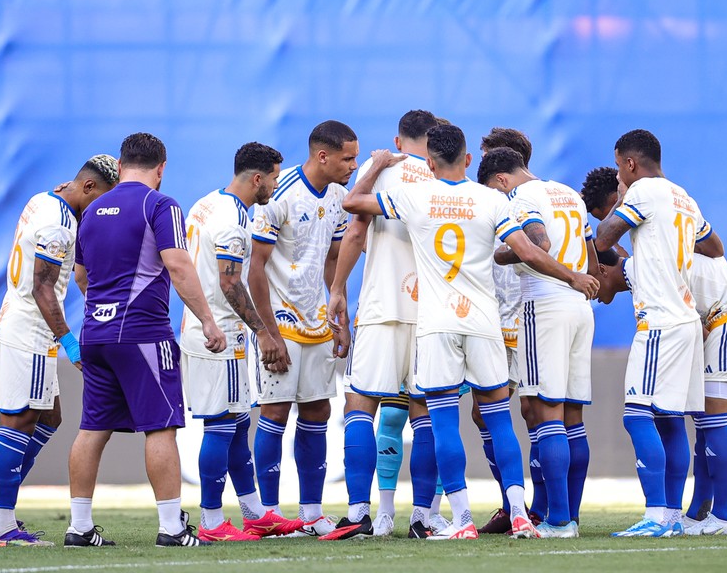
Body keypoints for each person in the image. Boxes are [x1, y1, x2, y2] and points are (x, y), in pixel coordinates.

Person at [342, 125, 599, 540]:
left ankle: (462, 520)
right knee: (499, 418)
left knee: (444, 421)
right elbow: (532, 251)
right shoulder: (492, 198)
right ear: (467, 160)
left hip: (438, 323)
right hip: (483, 322)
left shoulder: (415, 196)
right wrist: (572, 276)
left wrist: (377, 165)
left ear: (429, 162)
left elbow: (352, 202)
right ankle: (519, 514)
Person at [66, 133, 227, 548]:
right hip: (142, 333)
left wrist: (105, 309)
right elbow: (177, 263)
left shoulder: (93, 208)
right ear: (161, 167)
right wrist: (207, 320)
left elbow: (81, 277)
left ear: (119, 168)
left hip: (94, 334)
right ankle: (172, 528)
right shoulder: (160, 205)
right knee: (161, 427)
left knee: (92, 429)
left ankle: (79, 527)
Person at [594, 129, 724, 538]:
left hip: (660, 321)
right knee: (668, 420)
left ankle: (656, 514)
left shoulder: (642, 191)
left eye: (619, 167)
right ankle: (669, 517)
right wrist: (670, 251)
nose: (619, 173)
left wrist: (619, 198)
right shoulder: (683, 196)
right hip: (686, 317)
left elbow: (603, 237)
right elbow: (715, 246)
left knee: (636, 416)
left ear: (630, 163)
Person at [322, 110, 444, 540]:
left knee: (360, 405)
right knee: (424, 412)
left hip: (381, 305)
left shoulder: (384, 175)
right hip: (430, 311)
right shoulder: (441, 180)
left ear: (398, 138)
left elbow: (354, 231)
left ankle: (358, 513)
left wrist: (337, 290)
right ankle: (424, 516)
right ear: (434, 139)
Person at [0, 155, 118, 547]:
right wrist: (70, 342)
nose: (100, 211)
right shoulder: (59, 225)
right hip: (29, 329)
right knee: (19, 420)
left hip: (24, 324)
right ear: (89, 188)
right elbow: (43, 288)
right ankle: (2, 525)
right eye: (100, 200)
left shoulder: (48, 198)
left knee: (49, 416)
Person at [591, 252, 727, 537]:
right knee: (703, 417)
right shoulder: (640, 267)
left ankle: (724, 515)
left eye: (589, 277)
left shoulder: (645, 270)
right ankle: (699, 511)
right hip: (722, 314)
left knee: (713, 415)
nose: (588, 292)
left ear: (602, 270)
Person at [179, 142, 305, 541]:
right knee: (219, 424)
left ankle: (254, 512)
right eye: (273, 178)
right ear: (257, 178)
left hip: (202, 326)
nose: (275, 186)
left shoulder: (205, 204)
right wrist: (264, 332)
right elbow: (230, 281)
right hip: (220, 334)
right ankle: (213, 521)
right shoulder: (234, 219)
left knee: (234, 423)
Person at [479, 147, 597, 538]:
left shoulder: (520, 198)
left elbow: (538, 243)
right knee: (572, 418)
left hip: (544, 304)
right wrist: (579, 279)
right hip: (580, 309)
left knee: (547, 415)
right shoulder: (568, 193)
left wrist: (501, 254)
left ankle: (559, 521)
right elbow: (593, 263)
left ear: (500, 179)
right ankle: (568, 515)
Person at [248, 120, 359, 536]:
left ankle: (311, 514)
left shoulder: (340, 197)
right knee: (275, 412)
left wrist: (339, 312)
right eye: (348, 157)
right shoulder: (280, 194)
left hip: (317, 322)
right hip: (281, 321)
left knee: (317, 411)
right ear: (322, 155)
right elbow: (254, 268)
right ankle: (270, 514)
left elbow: (334, 262)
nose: (354, 164)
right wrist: (267, 331)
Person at [475, 128, 530, 535]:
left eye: (486, 158)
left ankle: (521, 506)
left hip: (503, 321)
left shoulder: (511, 202)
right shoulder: (541, 195)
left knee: (489, 412)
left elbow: (535, 244)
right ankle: (521, 505)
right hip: (498, 319)